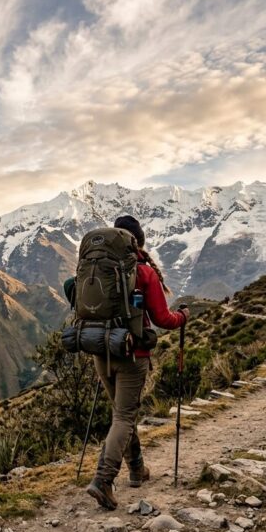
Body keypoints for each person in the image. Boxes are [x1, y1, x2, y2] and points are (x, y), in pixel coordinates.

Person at [63, 216, 189, 510]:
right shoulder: (144, 272)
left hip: (100, 351)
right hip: (133, 355)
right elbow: (163, 319)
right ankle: (103, 480)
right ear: (138, 242)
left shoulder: (97, 268)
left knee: (121, 414)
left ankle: (137, 469)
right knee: (124, 417)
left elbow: (70, 286)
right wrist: (183, 317)